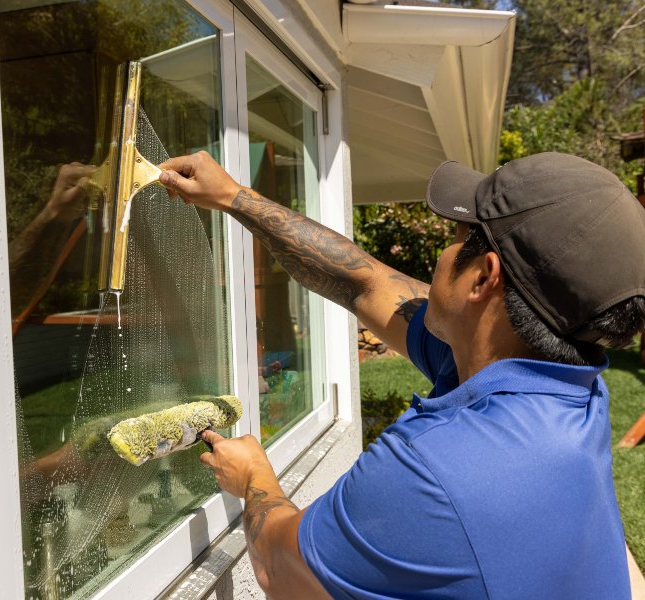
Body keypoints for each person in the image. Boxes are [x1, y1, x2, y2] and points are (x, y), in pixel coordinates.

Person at [157, 150, 645, 599]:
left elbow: (279, 570)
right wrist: (232, 196)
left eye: (455, 239)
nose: (442, 253)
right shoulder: (575, 391)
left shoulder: (435, 470)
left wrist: (253, 478)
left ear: (482, 277)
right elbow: (364, 280)